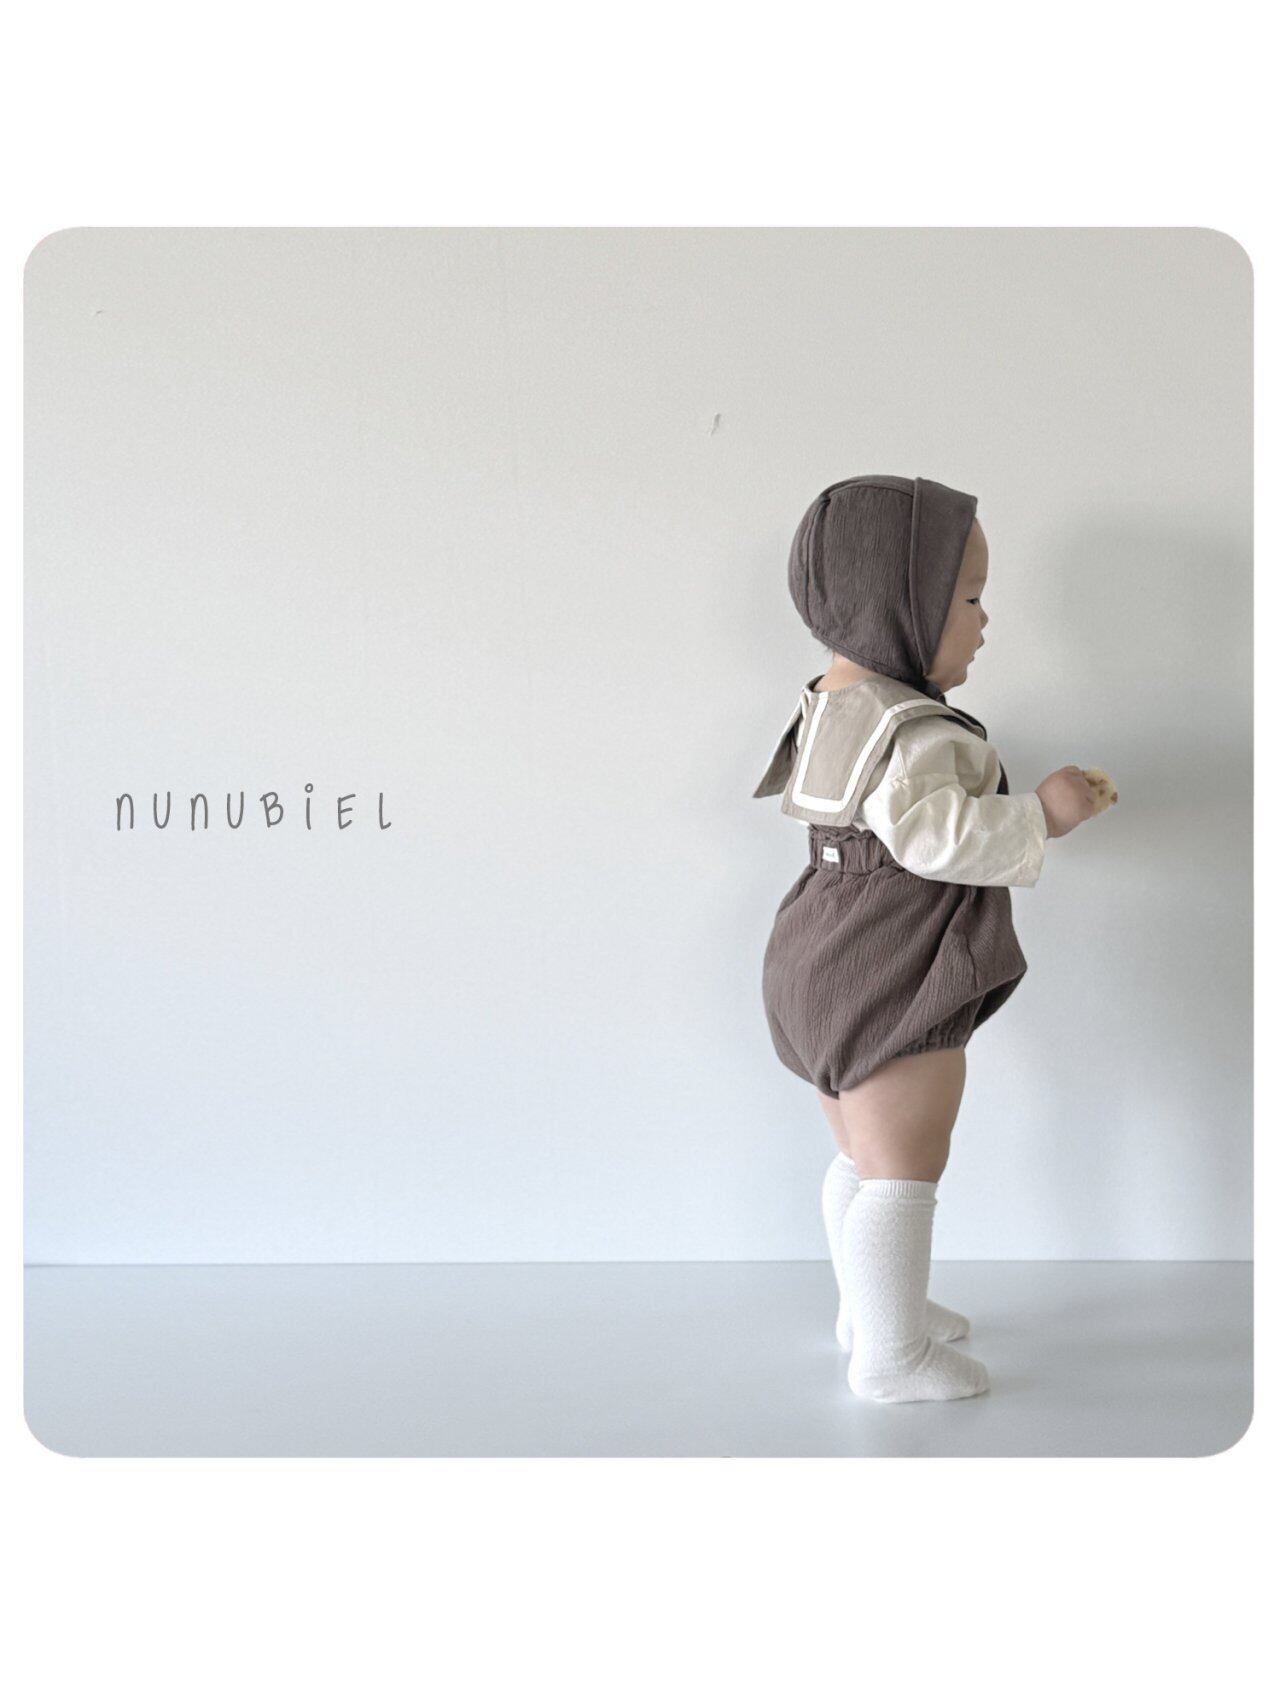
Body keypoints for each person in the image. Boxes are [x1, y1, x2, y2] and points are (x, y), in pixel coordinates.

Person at [752, 475, 1115, 1402]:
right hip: (891, 959)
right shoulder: (912, 732)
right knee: (905, 1164)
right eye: (969, 599)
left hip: (816, 946)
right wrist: (1044, 814)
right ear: (899, 608)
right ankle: (893, 1356)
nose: (985, 622)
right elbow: (934, 840)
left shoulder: (834, 702)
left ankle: (872, 1311)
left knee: (860, 1153)